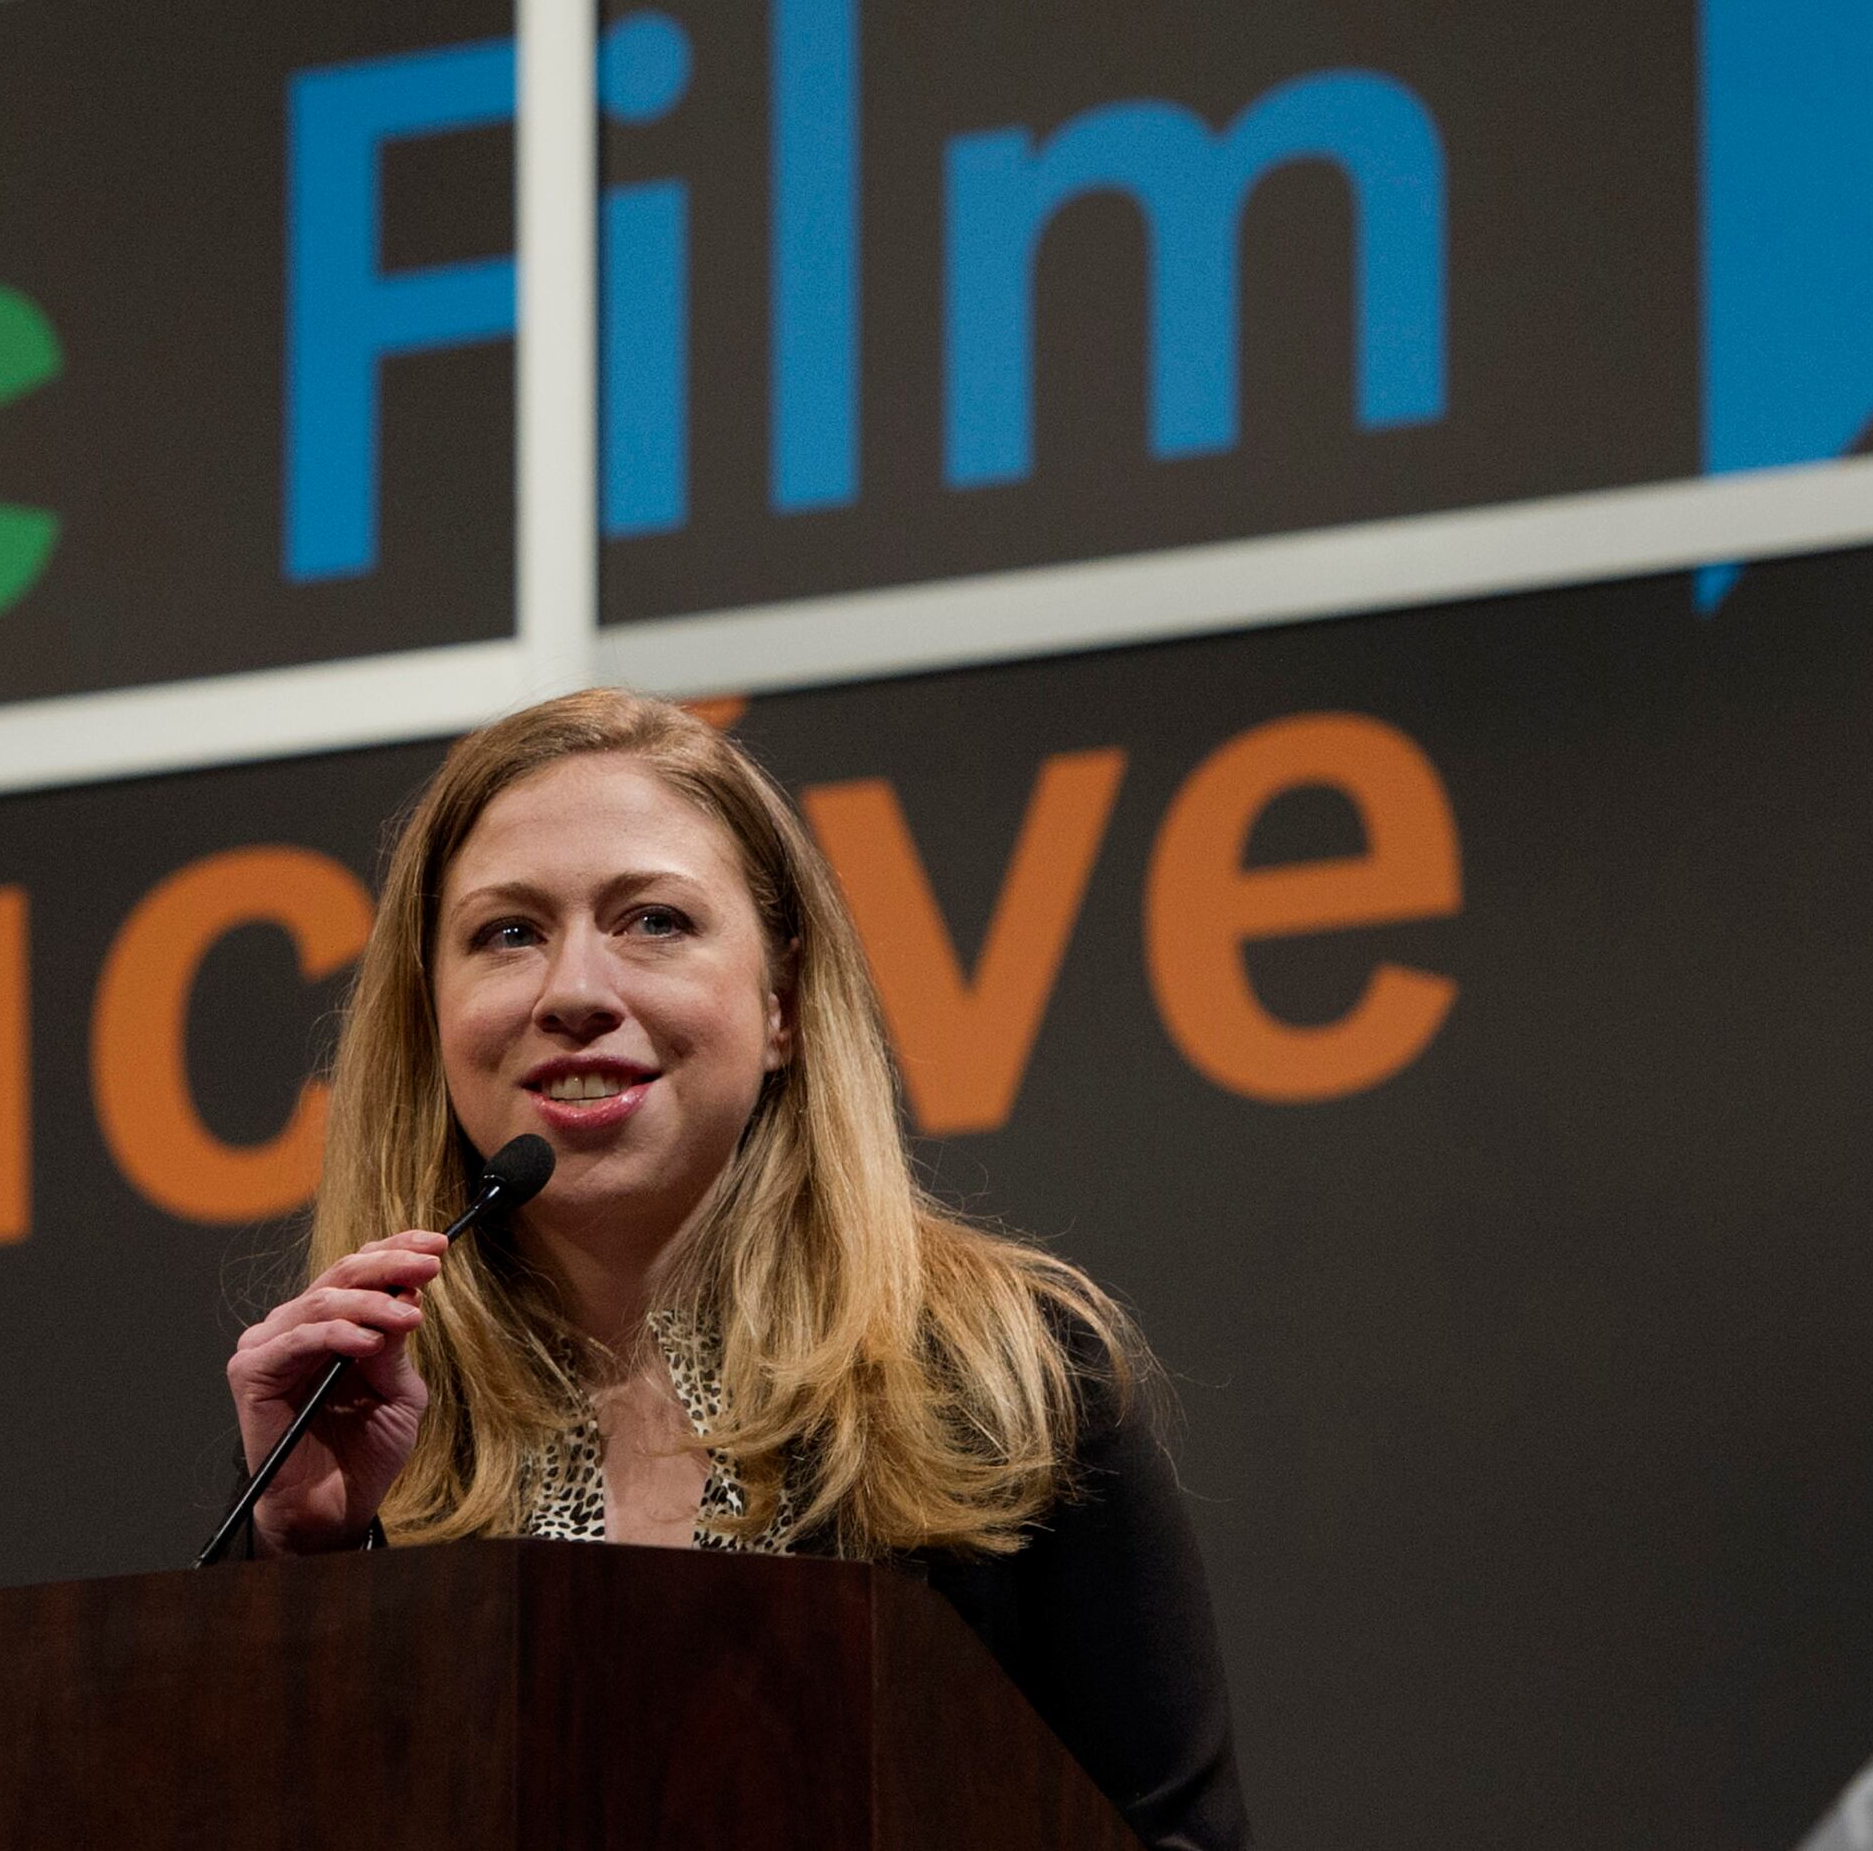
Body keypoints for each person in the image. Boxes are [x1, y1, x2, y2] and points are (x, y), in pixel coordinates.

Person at [224, 689, 1246, 1851]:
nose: (574, 992)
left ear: (782, 1005)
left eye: (654, 920)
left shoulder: (1011, 1378)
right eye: (508, 933)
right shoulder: (352, 1414)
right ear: (431, 1013)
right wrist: (303, 1568)